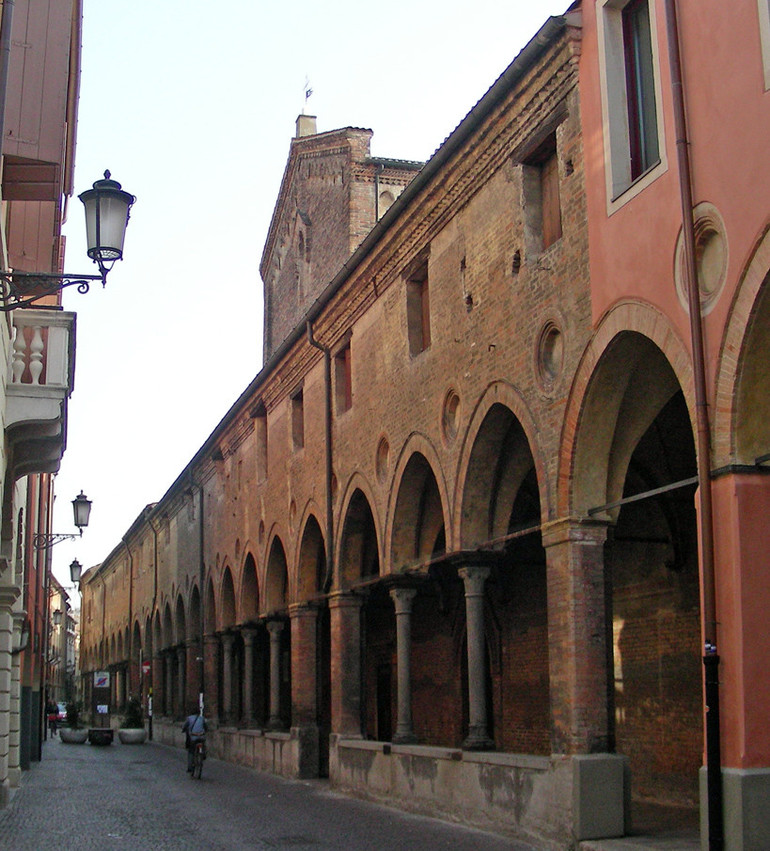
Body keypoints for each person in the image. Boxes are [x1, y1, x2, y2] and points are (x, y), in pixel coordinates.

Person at [181, 704, 207, 772]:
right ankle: (203, 753)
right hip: (201, 736)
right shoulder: (202, 718)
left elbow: (184, 726)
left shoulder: (189, 718)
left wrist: (183, 730)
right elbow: (205, 727)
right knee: (203, 742)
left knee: (191, 751)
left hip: (193, 737)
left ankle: (190, 767)